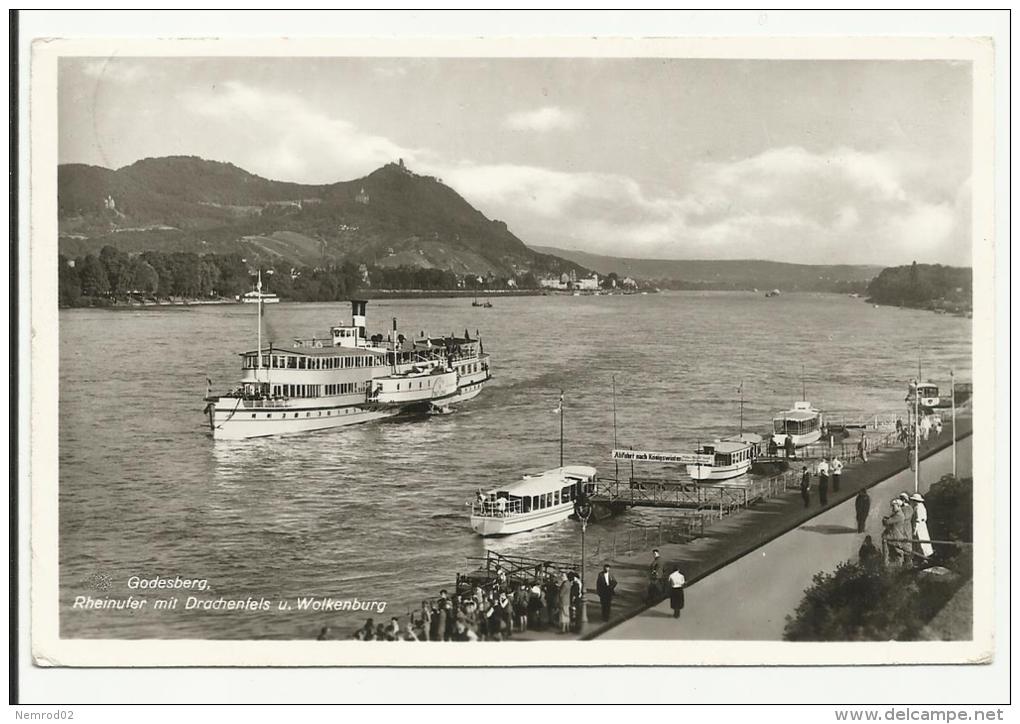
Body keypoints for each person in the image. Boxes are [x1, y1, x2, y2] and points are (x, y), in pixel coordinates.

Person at [882, 499, 907, 566]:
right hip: (893, 536)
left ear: (899, 506)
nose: (892, 508)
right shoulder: (896, 514)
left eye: (894, 506)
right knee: (892, 553)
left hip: (895, 537)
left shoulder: (899, 515)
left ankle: (896, 567)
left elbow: (887, 522)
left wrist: (885, 519)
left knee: (896, 553)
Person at [910, 493, 934, 559]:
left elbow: (918, 519)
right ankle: (923, 556)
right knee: (923, 541)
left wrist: (914, 530)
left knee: (921, 541)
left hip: (919, 526)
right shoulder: (922, 507)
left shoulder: (918, 508)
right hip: (922, 526)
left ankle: (924, 557)